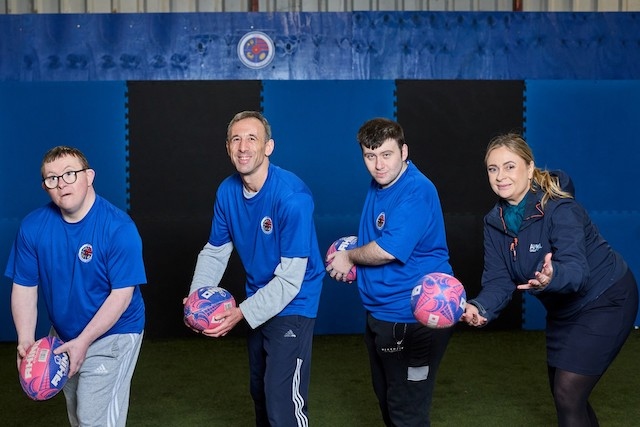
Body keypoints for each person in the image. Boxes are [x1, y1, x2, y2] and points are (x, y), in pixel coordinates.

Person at [462, 133, 639, 426]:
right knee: (566, 397)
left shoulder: (560, 209)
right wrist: (480, 308)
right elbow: (499, 279)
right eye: (493, 169)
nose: (500, 176)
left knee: (568, 393)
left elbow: (576, 271)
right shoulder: (494, 222)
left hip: (607, 299)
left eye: (509, 166)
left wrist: (553, 276)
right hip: (564, 310)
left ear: (530, 169)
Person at [185, 110, 324, 426]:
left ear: (269, 147)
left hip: (295, 302)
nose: (243, 147)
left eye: (252, 139)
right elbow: (215, 252)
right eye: (236, 139)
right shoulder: (227, 191)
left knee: (281, 399)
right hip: (258, 296)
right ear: (228, 148)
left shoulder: (292, 197)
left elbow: (290, 280)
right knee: (259, 391)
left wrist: (241, 313)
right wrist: (197, 298)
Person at [325, 117, 454, 426]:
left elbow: (388, 250)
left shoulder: (416, 190)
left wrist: (349, 257)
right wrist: (352, 255)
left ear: (404, 151)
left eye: (386, 154)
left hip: (414, 318)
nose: (378, 164)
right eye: (370, 156)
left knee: (406, 411)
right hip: (381, 314)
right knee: (389, 401)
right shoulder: (381, 184)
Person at [5, 146, 147, 426]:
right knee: (77, 413)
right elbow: (24, 287)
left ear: (89, 176)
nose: (61, 184)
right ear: (45, 186)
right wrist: (25, 341)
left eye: (70, 174)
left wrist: (84, 341)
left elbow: (121, 296)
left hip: (114, 332)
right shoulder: (33, 227)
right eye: (52, 178)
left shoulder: (119, 228)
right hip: (63, 334)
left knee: (92, 418)